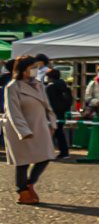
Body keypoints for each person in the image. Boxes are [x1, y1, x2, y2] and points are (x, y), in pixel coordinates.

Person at [3, 55, 57, 204]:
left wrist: (53, 123)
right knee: (23, 161)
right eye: (32, 67)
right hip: (21, 129)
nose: (35, 70)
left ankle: (29, 183)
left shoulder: (38, 84)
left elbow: (47, 106)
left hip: (40, 126)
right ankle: (22, 190)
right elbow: (13, 111)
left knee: (46, 156)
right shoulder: (12, 86)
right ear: (23, 69)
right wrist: (23, 131)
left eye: (36, 67)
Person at [43, 68, 72, 159]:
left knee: (50, 133)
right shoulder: (65, 86)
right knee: (59, 132)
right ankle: (64, 152)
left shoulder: (50, 87)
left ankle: (49, 152)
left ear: (49, 77)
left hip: (51, 114)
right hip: (61, 113)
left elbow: (46, 101)